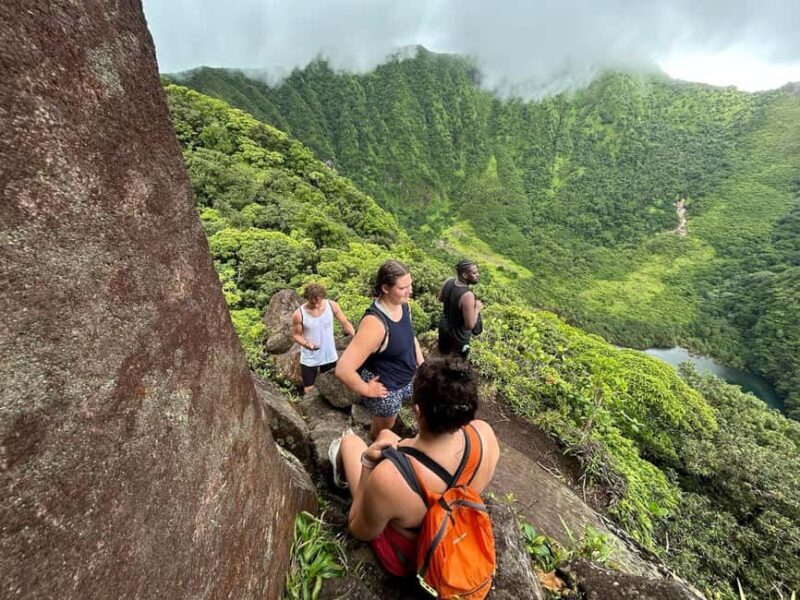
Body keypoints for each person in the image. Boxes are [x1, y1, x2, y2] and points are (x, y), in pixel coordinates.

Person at [328, 356, 500, 577]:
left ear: (417, 411)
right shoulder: (484, 435)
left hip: (413, 554)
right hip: (451, 528)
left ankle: (341, 475)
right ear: (466, 414)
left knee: (351, 443)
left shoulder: (389, 478)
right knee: (387, 435)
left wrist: (369, 463)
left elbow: (360, 530)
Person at [335, 260, 424, 439]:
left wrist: (421, 363)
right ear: (385, 288)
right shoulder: (375, 324)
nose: (410, 291)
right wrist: (366, 389)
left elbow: (410, 336)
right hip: (387, 387)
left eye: (410, 285)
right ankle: (375, 449)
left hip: (409, 375)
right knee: (384, 430)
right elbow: (343, 369)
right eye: (402, 288)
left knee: (424, 406)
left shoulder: (403, 305)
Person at [292, 283, 355, 394]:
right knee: (309, 388)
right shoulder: (299, 314)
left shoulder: (332, 306)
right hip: (310, 357)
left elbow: (345, 322)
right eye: (312, 301)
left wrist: (355, 336)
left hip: (329, 355)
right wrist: (307, 344)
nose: (316, 304)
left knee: (331, 386)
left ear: (323, 297)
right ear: (307, 298)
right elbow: (296, 335)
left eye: (318, 301)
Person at [437, 259, 483, 358]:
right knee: (457, 365)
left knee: (443, 358)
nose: (477, 275)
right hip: (458, 337)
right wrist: (477, 308)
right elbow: (469, 325)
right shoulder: (467, 295)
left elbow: (440, 298)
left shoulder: (448, 281)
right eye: (474, 273)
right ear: (465, 275)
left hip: (444, 329)